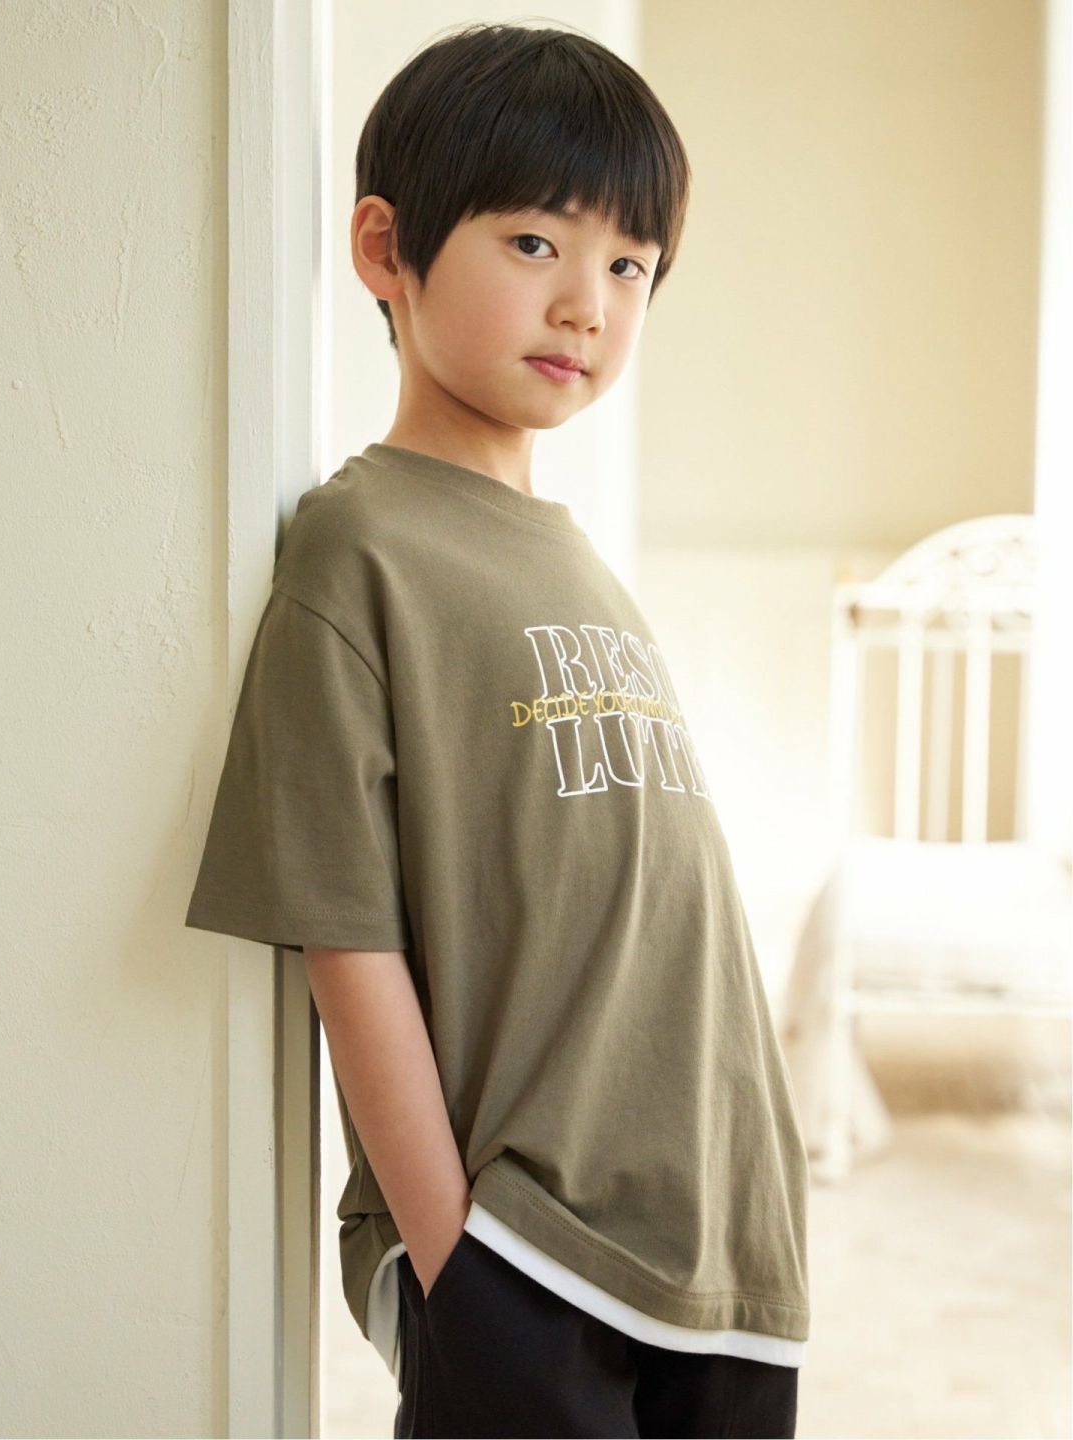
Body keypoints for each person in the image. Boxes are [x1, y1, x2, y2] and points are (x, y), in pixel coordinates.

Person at [185, 20, 809, 1438]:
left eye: (631, 265)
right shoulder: (362, 548)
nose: (587, 303)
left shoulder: (575, 560)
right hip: (530, 1251)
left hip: (720, 1250)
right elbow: (342, 928)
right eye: (536, 243)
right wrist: (454, 1257)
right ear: (385, 249)